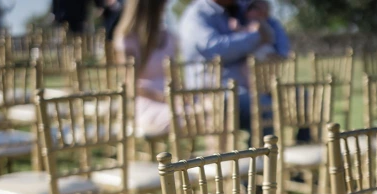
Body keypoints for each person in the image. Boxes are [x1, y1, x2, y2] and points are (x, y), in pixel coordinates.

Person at [179, 0, 290, 129]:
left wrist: (275, 43)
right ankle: (261, 149)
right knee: (264, 107)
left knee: (303, 100)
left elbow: (272, 28)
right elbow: (216, 50)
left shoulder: (239, 8)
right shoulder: (197, 15)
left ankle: (302, 143)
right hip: (212, 91)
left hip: (251, 87)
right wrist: (257, 36)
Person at [113, 0, 176, 138]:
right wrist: (164, 98)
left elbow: (174, 77)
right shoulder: (128, 39)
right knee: (187, 116)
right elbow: (130, 85)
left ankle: (216, 155)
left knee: (211, 109)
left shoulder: (169, 36)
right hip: (145, 104)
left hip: (170, 99)